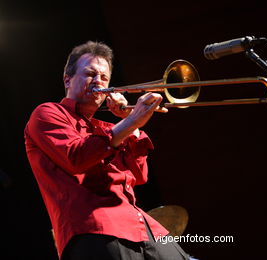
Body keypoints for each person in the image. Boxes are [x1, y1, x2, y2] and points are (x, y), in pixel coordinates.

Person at [24, 41, 189, 260]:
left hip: (146, 228)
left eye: (104, 77)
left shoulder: (109, 128)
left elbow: (140, 175)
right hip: (96, 229)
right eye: (90, 74)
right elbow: (76, 157)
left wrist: (133, 125)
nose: (98, 82)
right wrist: (130, 122)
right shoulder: (48, 113)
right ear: (67, 79)